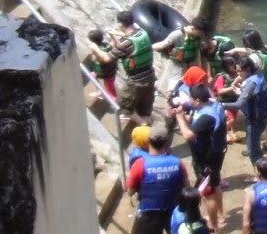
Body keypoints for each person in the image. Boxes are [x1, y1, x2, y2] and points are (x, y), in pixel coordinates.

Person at [126, 128, 189, 234]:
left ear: (148, 142)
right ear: (166, 142)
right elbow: (186, 186)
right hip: (174, 210)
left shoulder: (140, 164)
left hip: (149, 211)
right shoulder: (177, 162)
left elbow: (130, 190)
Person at [174, 83, 227, 227]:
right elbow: (196, 119)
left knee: (207, 193)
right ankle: (221, 216)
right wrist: (183, 109)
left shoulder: (207, 117)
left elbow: (188, 135)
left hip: (206, 158)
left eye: (191, 98)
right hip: (217, 152)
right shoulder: (214, 104)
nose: (189, 101)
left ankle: (214, 226)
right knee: (215, 184)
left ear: (198, 100)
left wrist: (179, 118)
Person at [110, 9, 157, 139]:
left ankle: (144, 126)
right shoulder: (143, 33)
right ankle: (153, 133)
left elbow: (106, 58)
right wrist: (115, 34)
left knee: (123, 104)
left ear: (120, 24)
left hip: (136, 80)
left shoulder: (126, 43)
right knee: (145, 110)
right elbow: (131, 38)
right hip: (150, 76)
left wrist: (94, 47)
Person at [155, 15, 217, 94]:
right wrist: (148, 48)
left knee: (192, 92)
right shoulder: (177, 35)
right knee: (173, 93)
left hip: (190, 69)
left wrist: (199, 69)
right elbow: (162, 45)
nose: (201, 36)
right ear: (194, 28)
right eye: (200, 33)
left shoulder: (196, 38)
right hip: (177, 69)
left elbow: (197, 54)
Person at [234, 56, 267, 173]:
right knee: (254, 145)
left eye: (240, 71)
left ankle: (260, 176)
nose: (238, 73)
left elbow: (238, 104)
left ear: (248, 69)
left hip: (255, 119)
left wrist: (219, 104)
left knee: (253, 150)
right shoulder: (258, 76)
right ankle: (262, 171)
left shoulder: (251, 82)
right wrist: (240, 91)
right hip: (262, 115)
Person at [83, 28, 118, 100]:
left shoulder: (97, 51)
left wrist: (93, 51)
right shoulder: (107, 45)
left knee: (110, 88)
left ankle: (113, 101)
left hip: (106, 73)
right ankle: (100, 91)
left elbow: (96, 58)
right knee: (93, 75)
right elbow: (114, 42)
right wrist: (111, 35)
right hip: (111, 70)